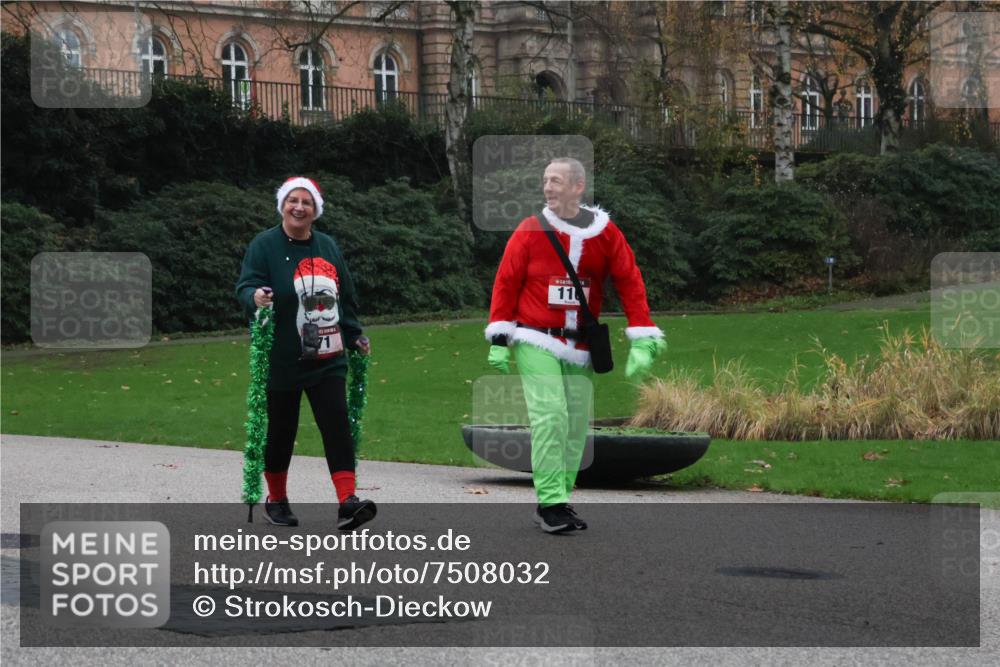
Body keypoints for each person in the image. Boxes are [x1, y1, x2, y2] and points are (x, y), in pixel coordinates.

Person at [485, 157, 665, 534]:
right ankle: (550, 502)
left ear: (578, 187)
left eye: (556, 181)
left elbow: (629, 280)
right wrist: (500, 339)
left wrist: (642, 334)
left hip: (582, 346)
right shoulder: (530, 230)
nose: (548, 188)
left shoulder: (606, 233)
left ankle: (559, 500)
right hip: (535, 338)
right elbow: (506, 281)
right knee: (550, 415)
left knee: (574, 427)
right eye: (545, 181)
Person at [236, 176, 376, 530]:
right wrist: (255, 297)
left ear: (315, 211)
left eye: (306, 202)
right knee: (282, 429)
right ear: (283, 205)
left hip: (327, 355)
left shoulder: (327, 246)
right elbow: (246, 285)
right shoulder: (264, 245)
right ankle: (276, 499)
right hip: (282, 354)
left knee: (337, 424)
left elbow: (346, 295)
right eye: (293, 201)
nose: (299, 207)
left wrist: (355, 334)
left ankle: (348, 502)